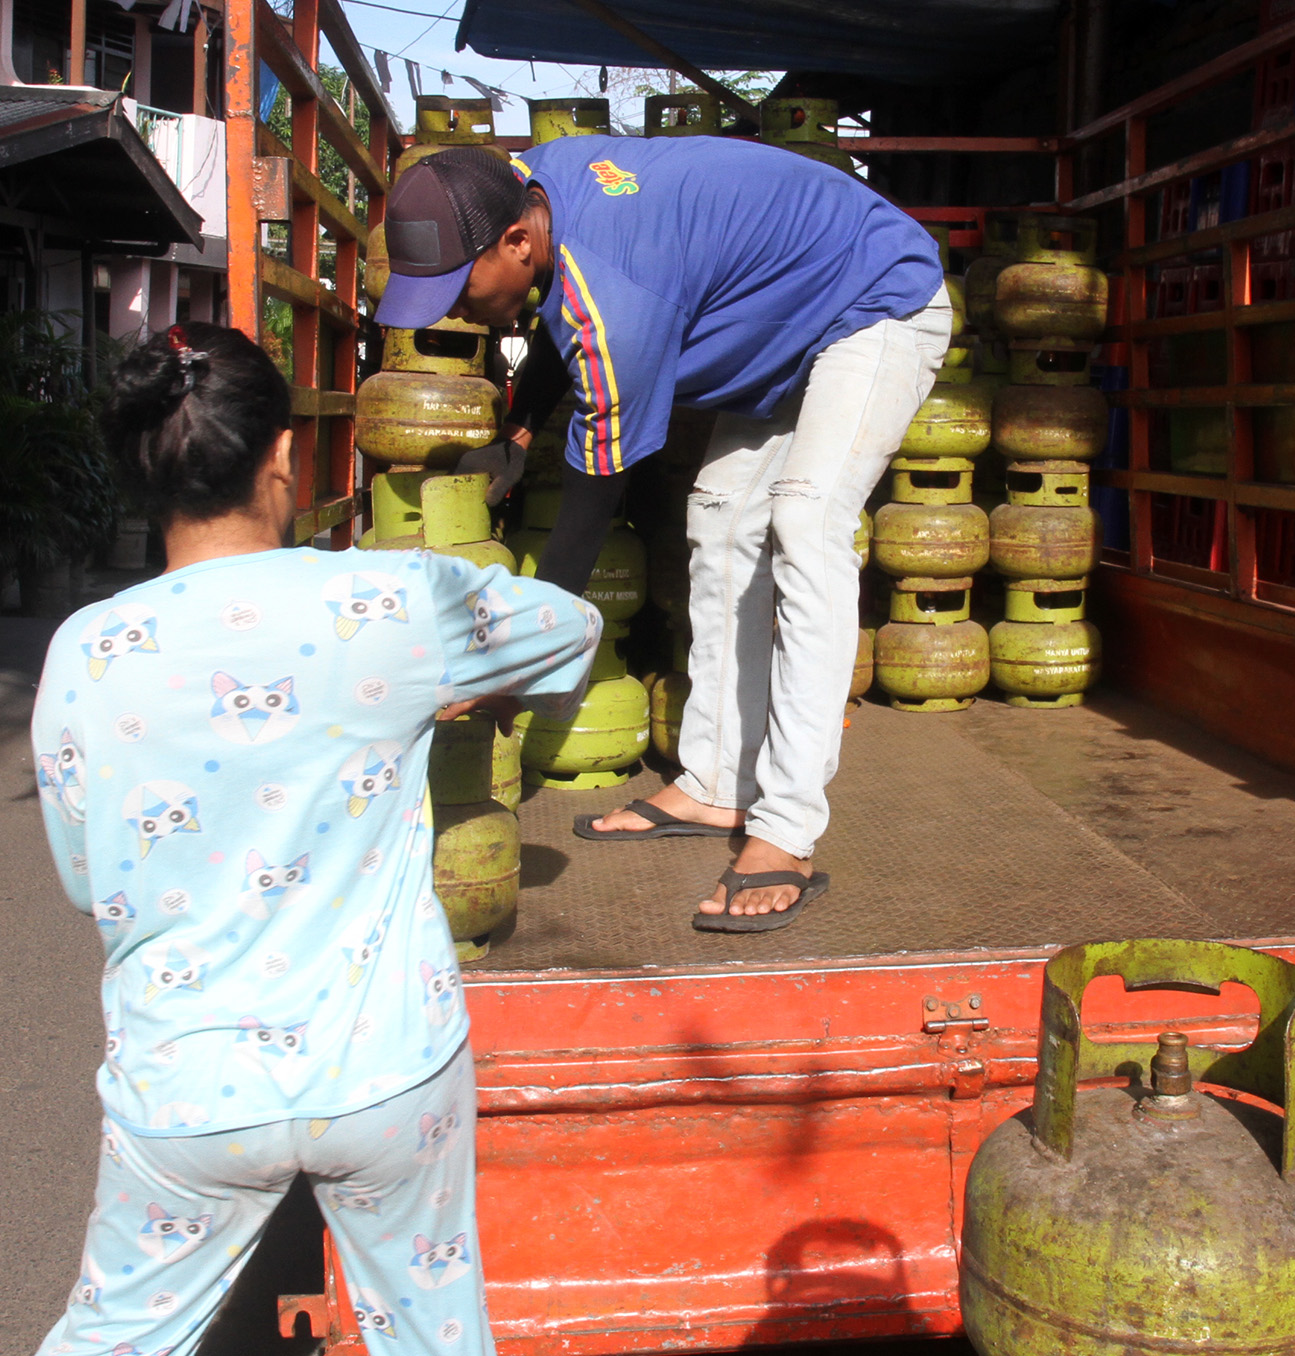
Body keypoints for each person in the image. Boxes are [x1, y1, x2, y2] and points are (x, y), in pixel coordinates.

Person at [30, 324, 600, 1356]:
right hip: (386, 1071)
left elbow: (86, 879)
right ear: (285, 456)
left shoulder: (84, 653)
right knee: (430, 1333)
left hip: (188, 1093)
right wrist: (448, 679)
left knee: (115, 1336)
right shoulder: (387, 602)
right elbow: (569, 629)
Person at [374, 138, 949, 932]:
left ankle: (786, 829)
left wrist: (517, 662)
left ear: (515, 241)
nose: (449, 307)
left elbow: (587, 509)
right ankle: (716, 784)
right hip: (794, 331)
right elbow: (554, 317)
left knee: (805, 523)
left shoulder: (617, 299)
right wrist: (515, 430)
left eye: (456, 284)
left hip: (877, 300)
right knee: (716, 517)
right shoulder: (528, 185)